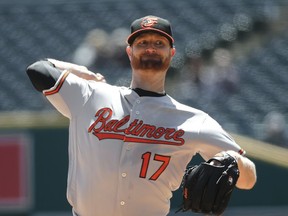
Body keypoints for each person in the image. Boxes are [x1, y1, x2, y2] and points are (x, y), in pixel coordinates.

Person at [26, 15, 256, 216]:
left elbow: (249, 179)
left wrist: (235, 161)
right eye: (142, 42)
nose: (150, 48)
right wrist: (81, 71)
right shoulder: (91, 95)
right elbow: (38, 70)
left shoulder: (194, 121)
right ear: (129, 51)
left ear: (171, 53)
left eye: (159, 43)